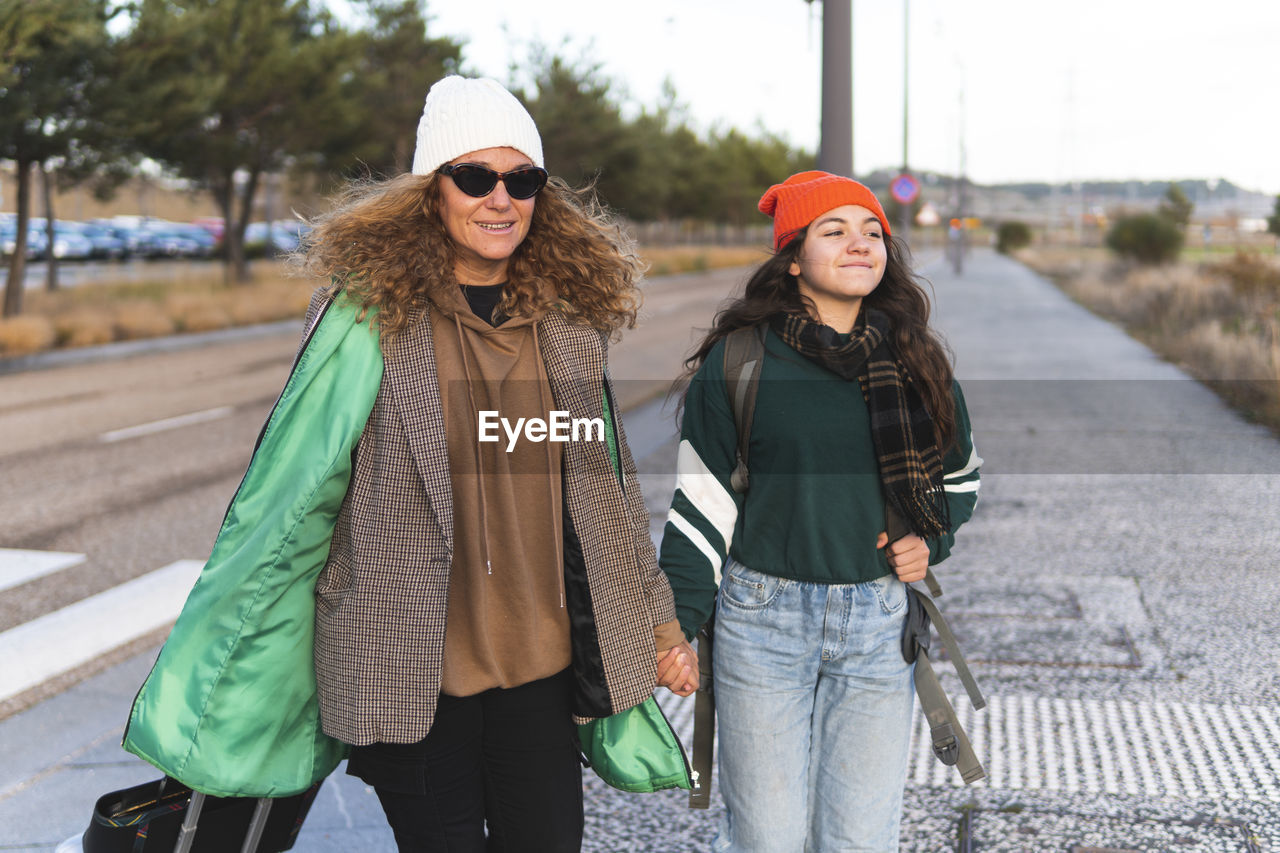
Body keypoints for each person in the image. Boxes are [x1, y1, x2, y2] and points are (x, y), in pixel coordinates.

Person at [291, 75, 697, 850]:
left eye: (522, 180)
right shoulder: (359, 320)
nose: (500, 198)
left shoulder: (568, 327)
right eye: (475, 177)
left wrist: (659, 624)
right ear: (430, 193)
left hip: (541, 673)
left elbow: (607, 493)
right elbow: (297, 493)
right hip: (406, 666)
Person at [658, 171, 981, 852]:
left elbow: (959, 475)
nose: (859, 244)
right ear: (794, 257)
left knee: (859, 839)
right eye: (834, 231)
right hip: (760, 620)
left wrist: (931, 536)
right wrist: (674, 625)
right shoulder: (740, 361)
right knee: (766, 838)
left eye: (872, 232)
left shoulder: (915, 359)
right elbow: (701, 506)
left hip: (877, 621)